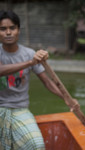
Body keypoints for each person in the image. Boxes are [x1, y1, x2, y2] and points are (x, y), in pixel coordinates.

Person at [0, 10, 63, 149]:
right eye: (3, 29)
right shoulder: (30, 58)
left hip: (20, 108)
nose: (8, 32)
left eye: (12, 28)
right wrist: (30, 63)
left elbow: (47, 82)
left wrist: (67, 99)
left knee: (36, 145)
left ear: (18, 30)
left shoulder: (28, 53)